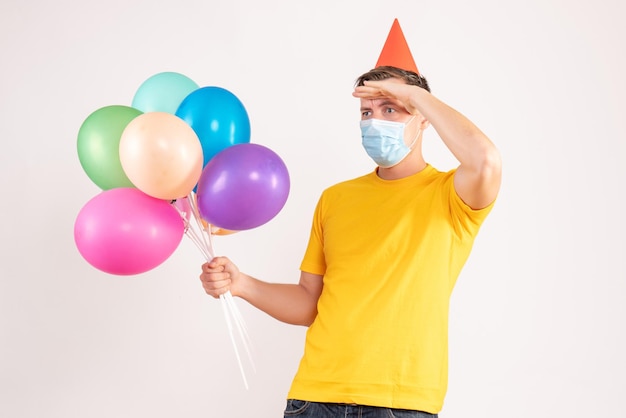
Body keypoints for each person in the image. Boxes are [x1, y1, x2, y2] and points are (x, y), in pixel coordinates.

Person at [199, 19, 501, 417]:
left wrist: (415, 94)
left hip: (400, 404)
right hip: (313, 397)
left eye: (390, 108)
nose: (375, 120)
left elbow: (485, 160)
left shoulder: (451, 196)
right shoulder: (335, 199)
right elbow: (310, 304)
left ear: (422, 117)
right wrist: (241, 284)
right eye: (366, 111)